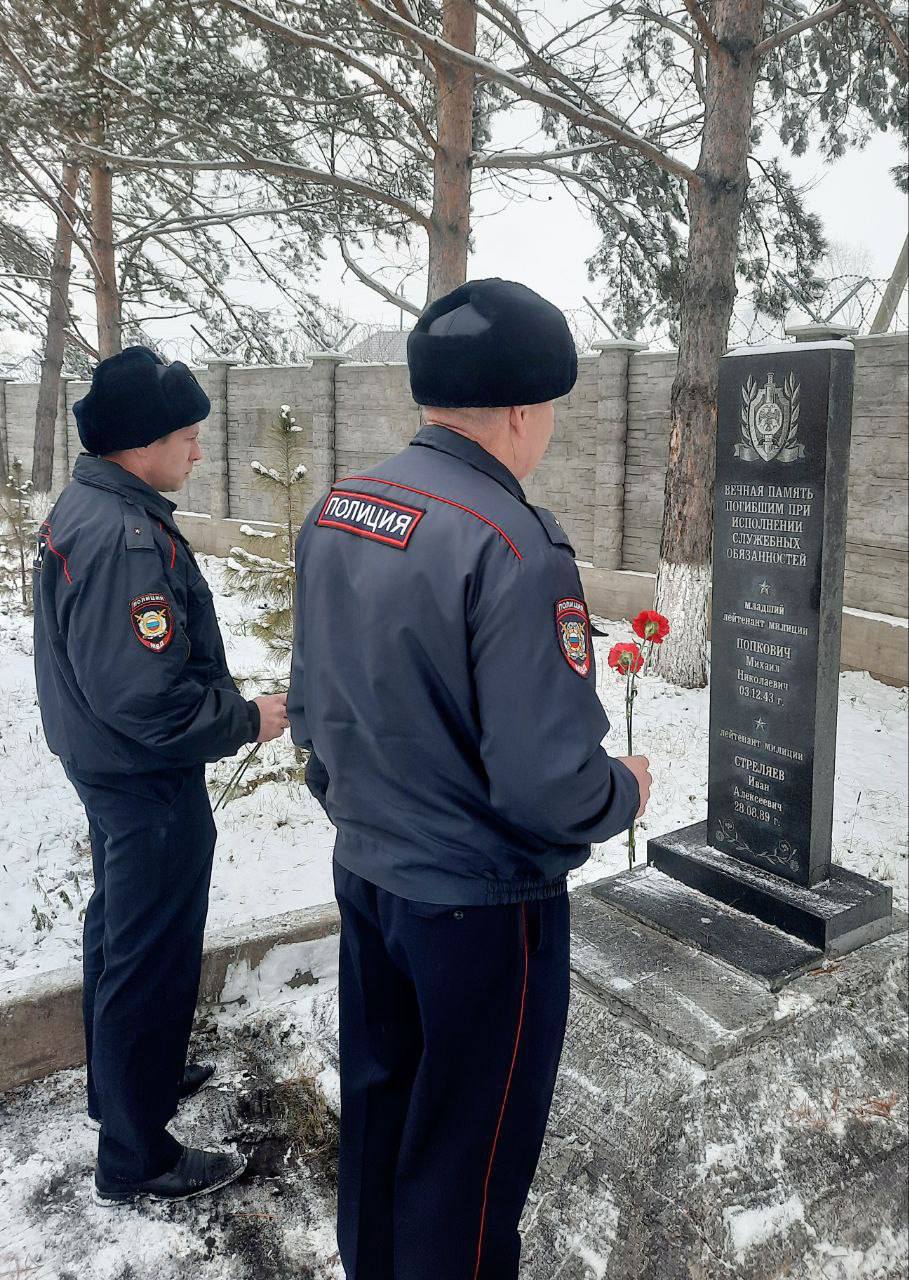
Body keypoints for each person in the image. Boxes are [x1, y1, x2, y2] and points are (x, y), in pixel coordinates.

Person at [288, 279, 653, 1278]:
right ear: (524, 410)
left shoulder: (340, 509)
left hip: (369, 873)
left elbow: (312, 710)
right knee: (469, 1163)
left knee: (381, 1107)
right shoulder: (513, 543)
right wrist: (622, 789)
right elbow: (546, 783)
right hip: (482, 907)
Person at [32, 346, 289, 1207]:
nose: (198, 452)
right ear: (141, 444)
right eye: (187, 437)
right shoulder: (124, 538)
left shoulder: (95, 504)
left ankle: (124, 1088)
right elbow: (146, 697)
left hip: (109, 764)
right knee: (150, 954)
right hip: (143, 775)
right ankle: (136, 1156)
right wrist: (247, 718)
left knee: (120, 932)